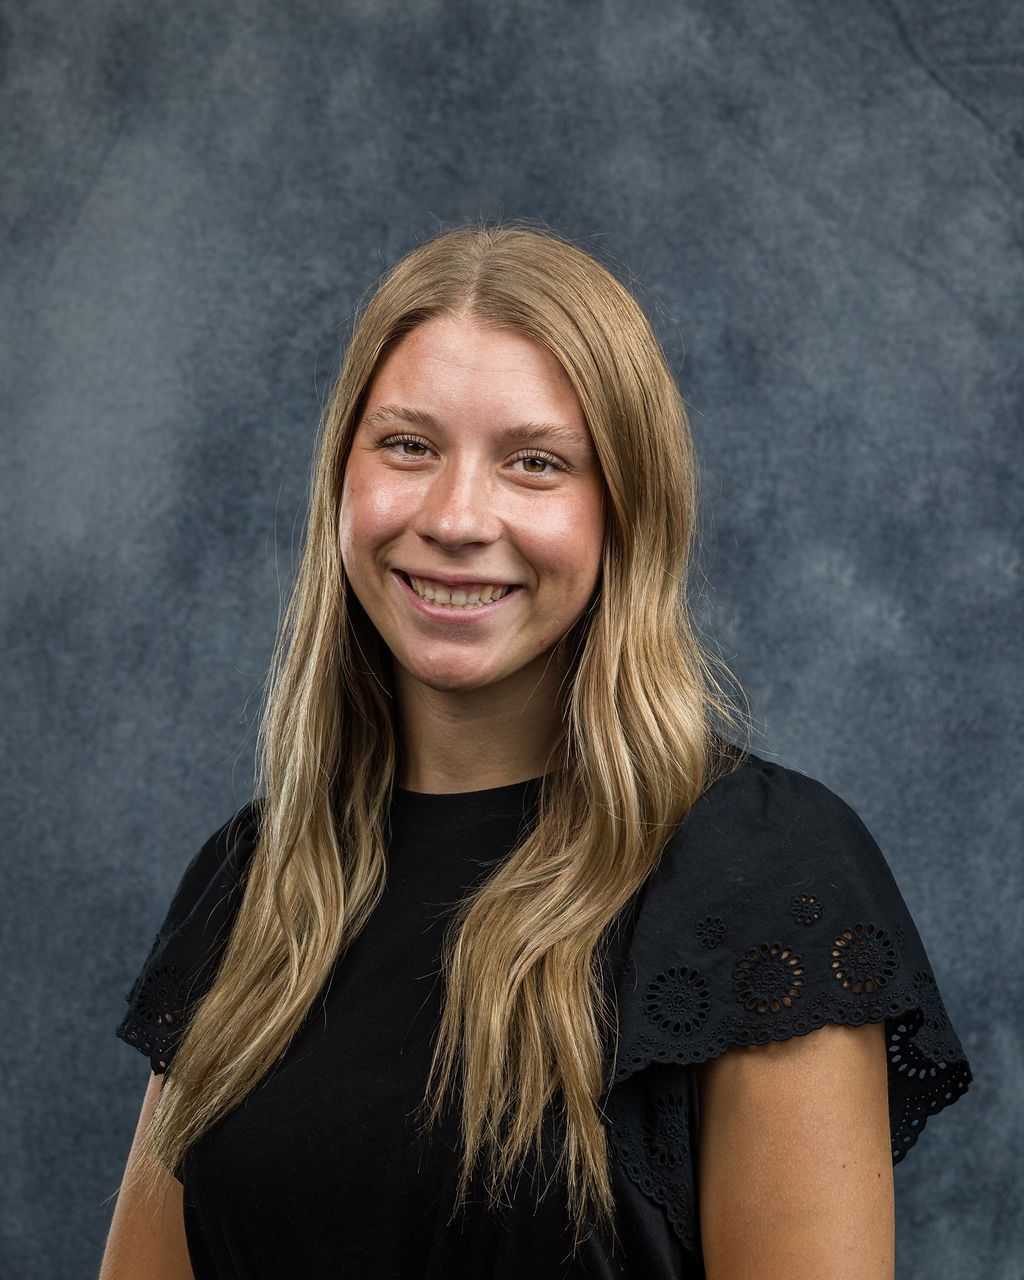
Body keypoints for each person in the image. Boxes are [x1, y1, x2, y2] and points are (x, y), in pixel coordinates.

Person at [102, 220, 972, 1280]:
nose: (458, 516)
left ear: (624, 511)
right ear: (341, 479)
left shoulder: (766, 875)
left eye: (536, 462)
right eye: (408, 445)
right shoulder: (250, 882)